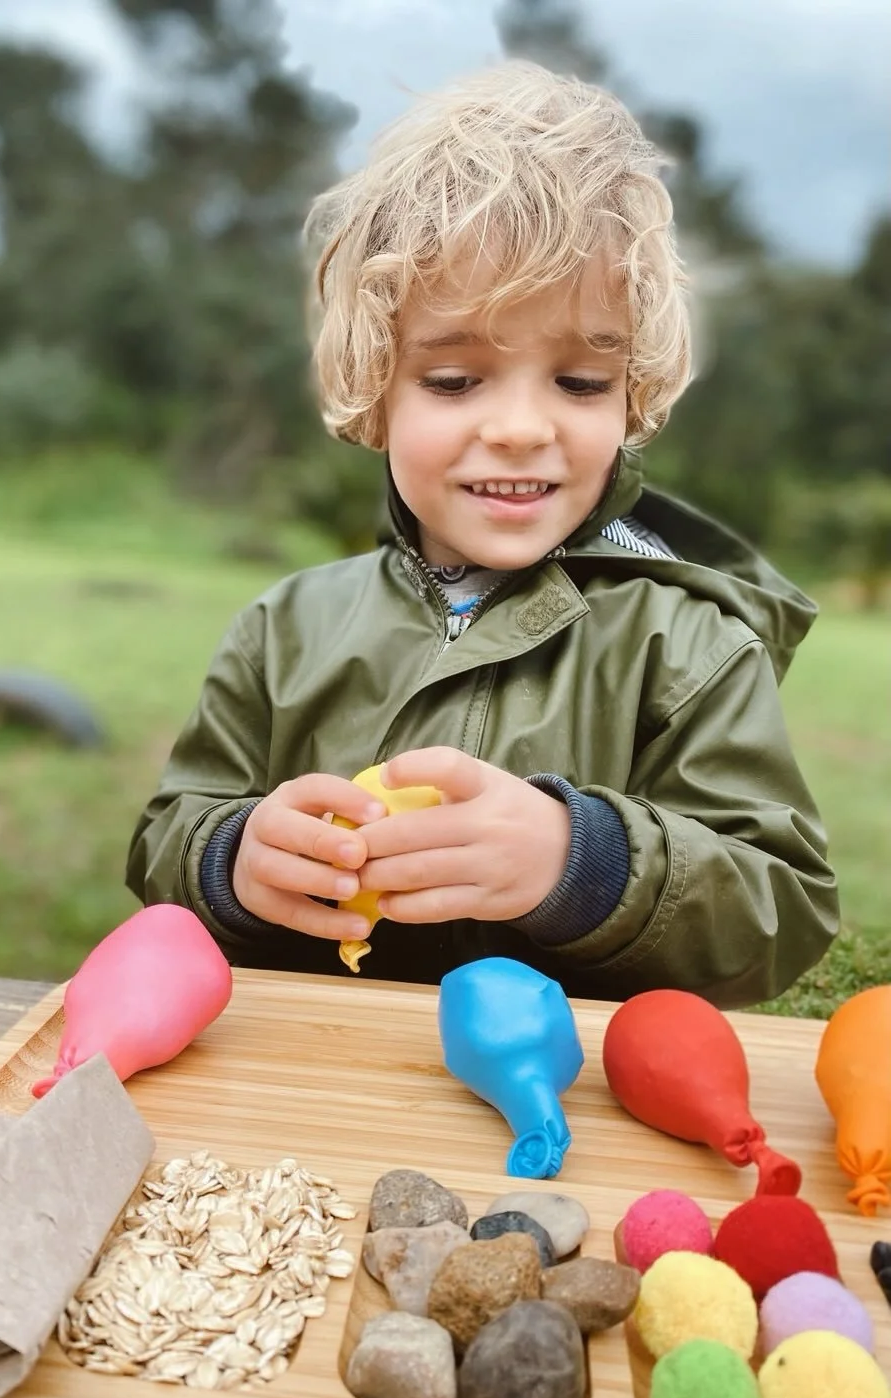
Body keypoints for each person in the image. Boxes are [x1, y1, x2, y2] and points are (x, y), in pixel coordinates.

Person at [126, 62, 838, 1006]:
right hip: (310, 1096)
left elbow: (777, 912)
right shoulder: (285, 628)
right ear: (375, 389)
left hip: (574, 1109)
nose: (520, 427)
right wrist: (232, 861)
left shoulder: (689, 643)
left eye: (580, 383)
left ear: (633, 397)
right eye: (455, 381)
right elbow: (169, 837)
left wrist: (581, 864)